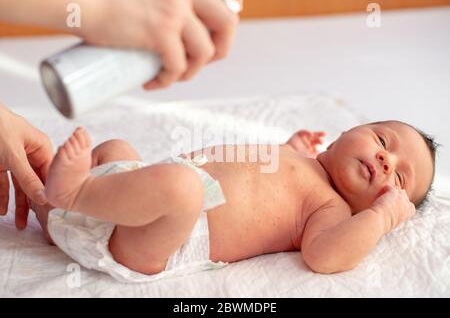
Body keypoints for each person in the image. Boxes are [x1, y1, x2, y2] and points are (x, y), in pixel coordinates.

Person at [30, 120, 436, 282]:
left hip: (161, 238)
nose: (386, 159)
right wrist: (289, 147)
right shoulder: (303, 162)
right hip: (132, 197)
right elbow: (262, 175)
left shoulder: (330, 208)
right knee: (119, 148)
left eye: (398, 177)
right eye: (383, 141)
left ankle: (77, 193)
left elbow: (326, 256)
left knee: (183, 187)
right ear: (347, 131)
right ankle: (51, 206)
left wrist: (383, 218)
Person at [0, 0, 242, 229]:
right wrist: (101, 8)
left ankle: (71, 199)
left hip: (166, 228)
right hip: (157, 215)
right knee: (120, 152)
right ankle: (68, 200)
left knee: (182, 187)